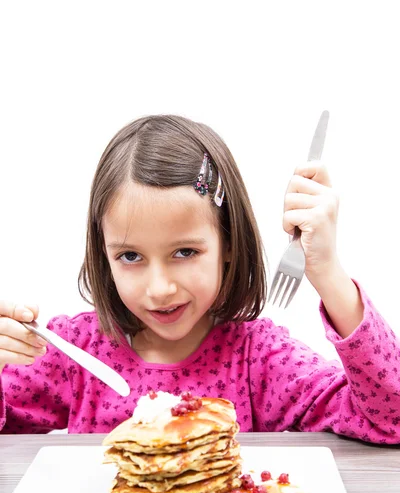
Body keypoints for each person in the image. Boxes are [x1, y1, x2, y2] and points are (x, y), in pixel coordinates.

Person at [1, 114, 399, 443]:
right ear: (103, 256)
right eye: (130, 256)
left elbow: (388, 418)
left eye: (185, 252)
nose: (160, 288)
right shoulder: (73, 354)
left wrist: (327, 272)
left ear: (228, 244)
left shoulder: (259, 360)